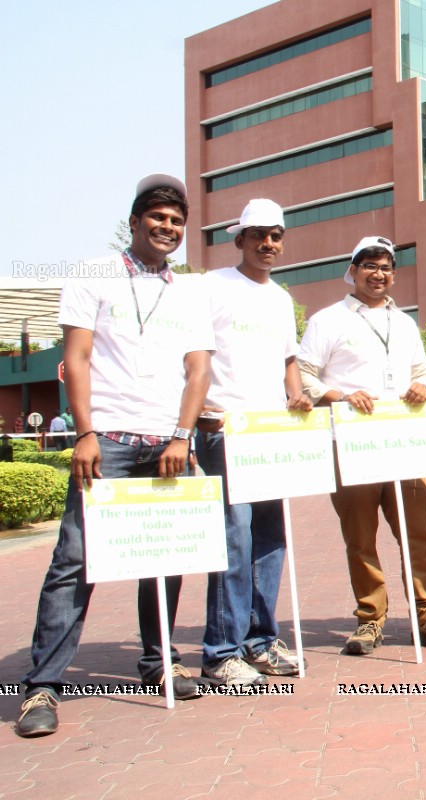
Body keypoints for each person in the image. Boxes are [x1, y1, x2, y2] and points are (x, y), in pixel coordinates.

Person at [17, 174, 213, 738]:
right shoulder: (94, 275)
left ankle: (158, 663)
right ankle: (42, 688)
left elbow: (198, 368)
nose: (168, 228)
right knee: (75, 563)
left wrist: (182, 436)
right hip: (110, 443)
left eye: (177, 221)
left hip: (168, 443)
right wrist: (86, 433)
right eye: (157, 217)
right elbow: (76, 359)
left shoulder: (188, 291)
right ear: (134, 222)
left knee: (166, 558)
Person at [298, 235, 426, 654]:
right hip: (353, 446)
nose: (379, 273)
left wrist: (422, 388)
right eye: (369, 265)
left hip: (406, 444)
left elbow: (423, 372)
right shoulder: (328, 320)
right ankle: (371, 618)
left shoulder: (404, 322)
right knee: (361, 537)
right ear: (352, 271)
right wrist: (339, 395)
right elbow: (303, 374)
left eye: (386, 266)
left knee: (417, 535)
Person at [195, 198, 312, 686]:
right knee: (234, 536)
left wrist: (298, 395)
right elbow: (194, 354)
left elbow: (289, 361)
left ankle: (260, 642)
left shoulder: (281, 298)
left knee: (270, 537)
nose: (268, 244)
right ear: (238, 238)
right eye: (258, 235)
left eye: (276, 236)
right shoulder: (211, 287)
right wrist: (200, 411)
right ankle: (221, 651)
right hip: (223, 431)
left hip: (269, 437)